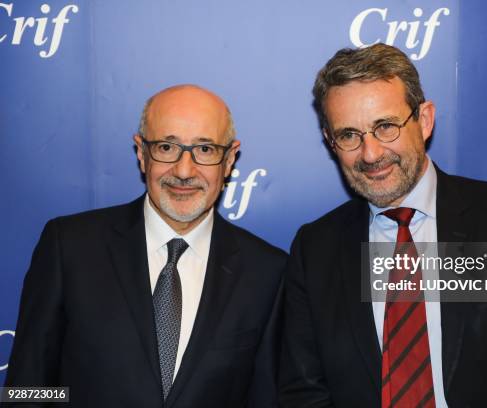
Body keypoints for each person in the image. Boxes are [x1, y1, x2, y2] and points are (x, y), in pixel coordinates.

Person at [279, 44, 487, 407]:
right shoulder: (315, 249)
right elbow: (304, 392)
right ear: (331, 142)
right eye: (349, 135)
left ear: (424, 120)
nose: (371, 153)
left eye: (386, 127)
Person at [4, 85, 285, 407]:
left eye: (205, 150)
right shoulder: (68, 246)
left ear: (230, 158)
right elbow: (25, 389)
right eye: (167, 147)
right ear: (141, 153)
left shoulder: (267, 271)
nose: (183, 171)